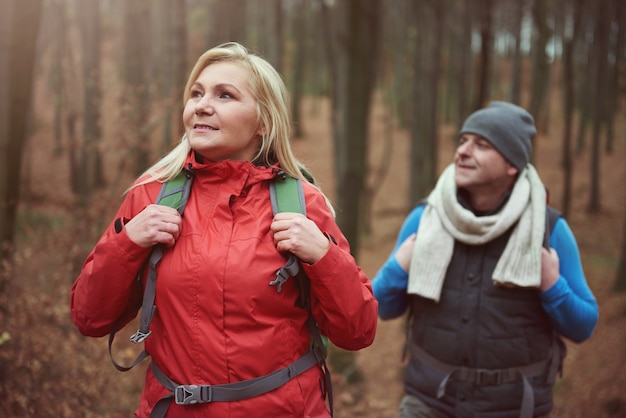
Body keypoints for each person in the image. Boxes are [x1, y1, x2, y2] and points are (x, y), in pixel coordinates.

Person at [71, 42, 377, 418]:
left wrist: (324, 257)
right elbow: (89, 317)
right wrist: (127, 242)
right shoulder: (150, 197)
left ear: (263, 120)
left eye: (225, 95)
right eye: (196, 93)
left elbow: (358, 331)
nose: (201, 104)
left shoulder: (303, 204)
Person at [372, 101, 598, 418]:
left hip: (515, 408)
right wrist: (399, 267)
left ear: (511, 165)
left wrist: (552, 284)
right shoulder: (425, 219)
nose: (463, 151)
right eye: (463, 141)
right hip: (429, 402)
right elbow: (378, 307)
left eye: (481, 145)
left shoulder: (548, 231)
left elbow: (583, 326)